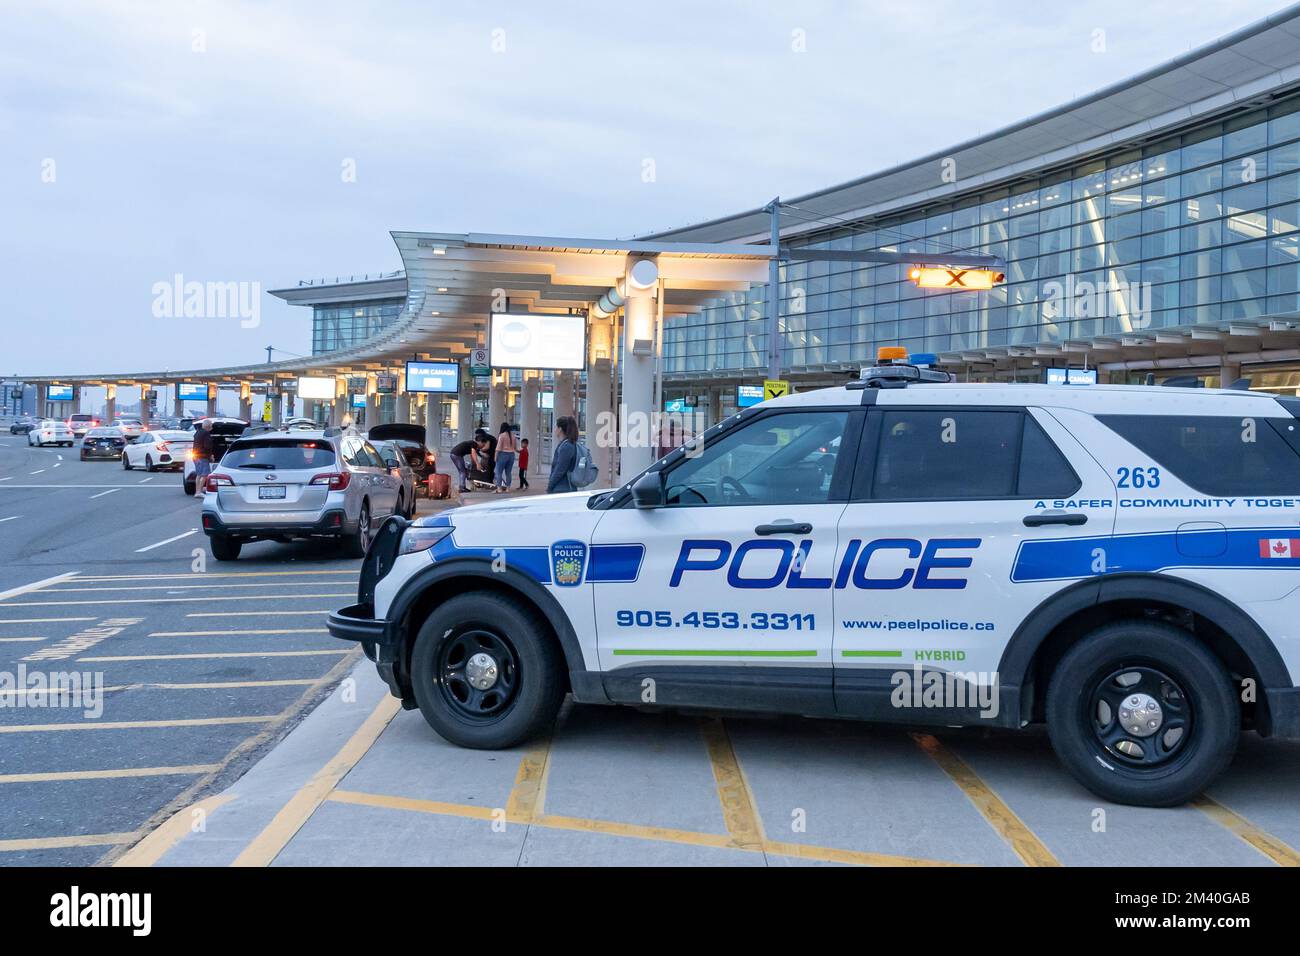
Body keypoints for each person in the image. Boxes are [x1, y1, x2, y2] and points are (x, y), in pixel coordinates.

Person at [548, 415, 579, 494]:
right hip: (566, 487)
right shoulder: (568, 444)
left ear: (560, 429)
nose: (554, 429)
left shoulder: (566, 446)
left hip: (563, 488)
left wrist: (550, 486)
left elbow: (560, 470)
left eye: (555, 427)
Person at [191, 419, 215, 496]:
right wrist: (211, 456)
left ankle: (197, 491)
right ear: (209, 426)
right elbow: (207, 446)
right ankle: (199, 492)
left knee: (199, 474)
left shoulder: (197, 433)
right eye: (211, 426)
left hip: (195, 456)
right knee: (205, 475)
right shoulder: (206, 433)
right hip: (202, 457)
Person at [493, 422, 517, 493]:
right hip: (511, 455)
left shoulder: (502, 435)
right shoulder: (513, 435)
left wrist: (495, 457)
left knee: (499, 472)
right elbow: (515, 447)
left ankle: (499, 488)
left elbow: (498, 448)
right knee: (508, 472)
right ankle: (508, 488)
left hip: (502, 454)